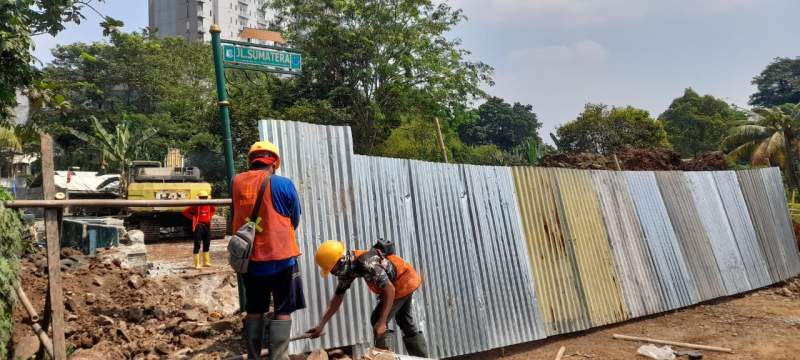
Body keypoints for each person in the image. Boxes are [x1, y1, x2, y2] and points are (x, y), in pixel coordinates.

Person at [231, 140, 304, 360]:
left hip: (250, 261)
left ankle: (254, 356)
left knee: (255, 309)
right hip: (282, 259)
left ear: (252, 161)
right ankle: (278, 357)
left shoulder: (236, 182)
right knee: (282, 310)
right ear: (274, 163)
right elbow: (295, 217)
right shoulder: (283, 184)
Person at [306, 240, 429, 357]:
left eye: (333, 270)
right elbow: (337, 299)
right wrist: (321, 325)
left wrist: (381, 323)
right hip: (404, 279)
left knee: (378, 320)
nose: (334, 274)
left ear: (341, 261)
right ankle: (421, 358)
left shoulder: (367, 263)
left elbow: (390, 290)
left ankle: (385, 357)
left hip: (403, 281)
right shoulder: (348, 268)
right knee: (404, 321)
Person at [182, 190, 216, 269]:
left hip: (207, 226)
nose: (203, 199)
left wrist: (209, 217)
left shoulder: (209, 205)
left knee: (207, 243)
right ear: (199, 198)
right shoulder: (196, 205)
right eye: (202, 197)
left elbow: (213, 210)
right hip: (199, 226)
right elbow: (185, 212)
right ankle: (197, 264)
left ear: (207, 198)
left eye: (205, 197)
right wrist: (194, 218)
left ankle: (206, 262)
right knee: (197, 244)